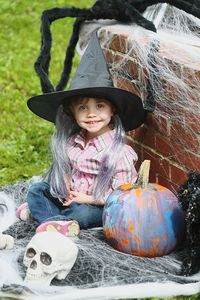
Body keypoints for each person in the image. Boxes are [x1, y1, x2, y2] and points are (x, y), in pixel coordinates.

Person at [16, 32, 146, 236]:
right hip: (71, 198)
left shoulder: (120, 152)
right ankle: (57, 221)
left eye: (100, 106)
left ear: (112, 111)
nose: (92, 114)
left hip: (95, 204)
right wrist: (65, 185)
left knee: (82, 214)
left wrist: (88, 199)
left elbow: (122, 194)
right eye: (83, 108)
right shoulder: (73, 142)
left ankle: (49, 218)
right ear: (72, 113)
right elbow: (68, 169)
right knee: (38, 190)